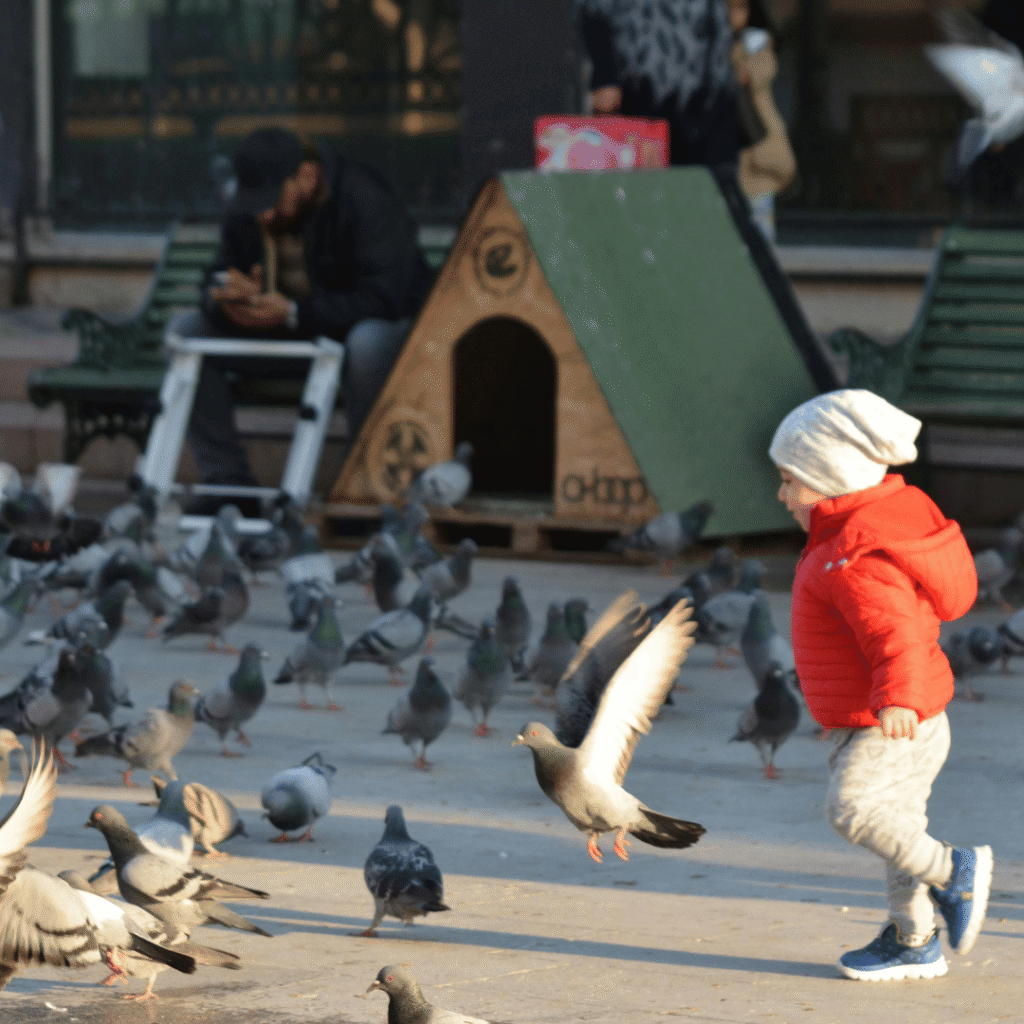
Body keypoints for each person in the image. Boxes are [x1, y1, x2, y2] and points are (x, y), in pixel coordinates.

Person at [770, 389, 991, 982]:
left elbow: (895, 632)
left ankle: (955, 872)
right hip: (889, 717)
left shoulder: (856, 554)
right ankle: (913, 938)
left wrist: (898, 698)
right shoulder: (845, 537)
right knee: (899, 831)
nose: (781, 493)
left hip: (896, 718)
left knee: (854, 809)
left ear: (827, 477)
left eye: (789, 479)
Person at [181, 127, 433, 515]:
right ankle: (227, 482)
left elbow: (386, 299)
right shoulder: (250, 210)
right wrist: (226, 297)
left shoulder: (365, 198)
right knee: (186, 332)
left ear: (307, 177)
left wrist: (297, 312)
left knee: (368, 342)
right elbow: (216, 275)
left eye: (272, 200)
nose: (263, 213)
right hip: (286, 341)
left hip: (355, 341)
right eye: (254, 203)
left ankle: (368, 484)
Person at [576, 0, 739, 169]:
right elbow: (593, 12)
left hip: (710, 89)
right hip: (642, 88)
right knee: (645, 180)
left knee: (714, 179)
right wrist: (605, 78)